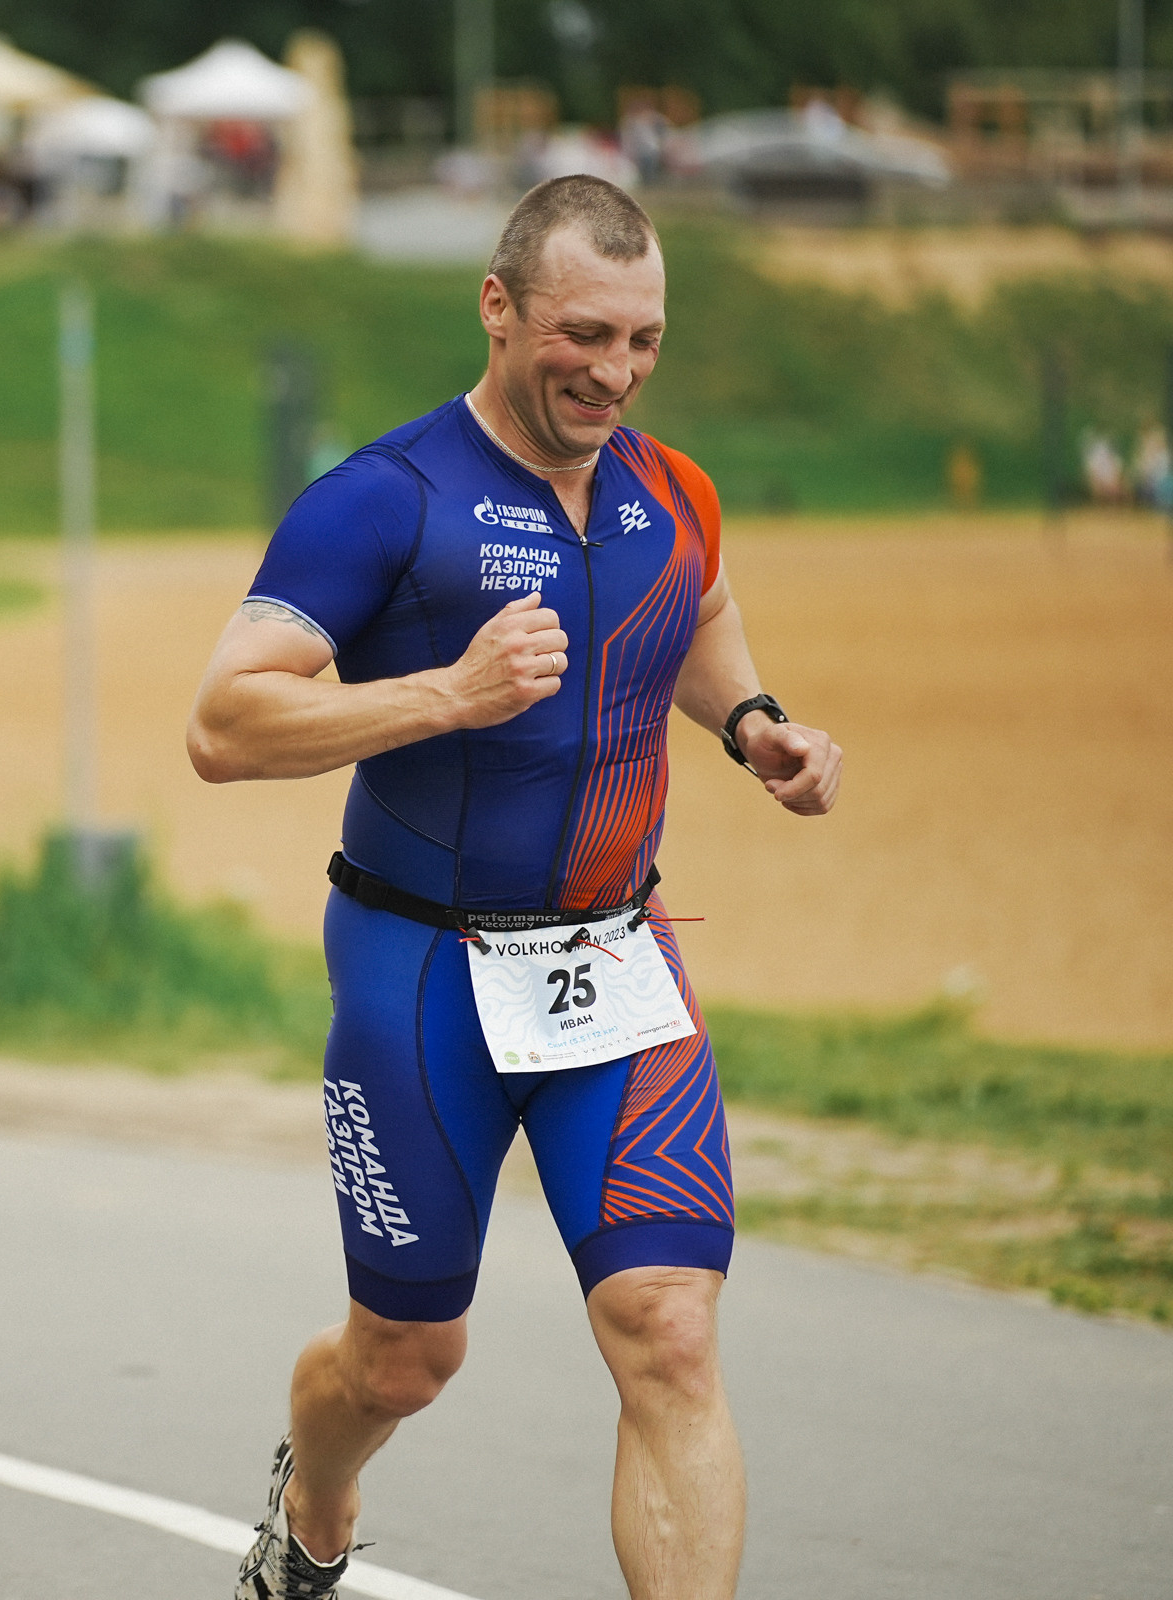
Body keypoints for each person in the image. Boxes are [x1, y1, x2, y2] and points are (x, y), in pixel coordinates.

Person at [187, 175, 842, 1600]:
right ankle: (318, 1501)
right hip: (422, 971)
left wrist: (752, 724)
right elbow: (223, 727)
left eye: (644, 341)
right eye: (584, 334)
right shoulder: (384, 501)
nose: (614, 372)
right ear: (498, 309)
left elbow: (699, 607)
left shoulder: (673, 495)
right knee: (404, 1357)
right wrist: (445, 691)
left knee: (669, 1327)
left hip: (618, 960)